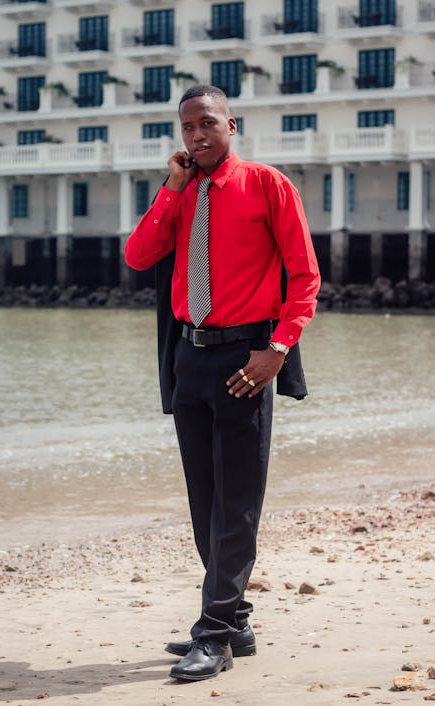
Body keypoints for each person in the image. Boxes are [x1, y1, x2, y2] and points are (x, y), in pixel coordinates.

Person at [125, 84, 320, 682]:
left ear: (232, 124)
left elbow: (304, 276)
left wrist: (277, 352)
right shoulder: (181, 195)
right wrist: (172, 189)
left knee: (236, 502)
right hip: (190, 360)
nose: (197, 136)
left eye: (207, 123)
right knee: (204, 500)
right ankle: (232, 619)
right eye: (187, 128)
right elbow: (137, 256)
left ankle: (213, 634)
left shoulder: (268, 184)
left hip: (247, 359)